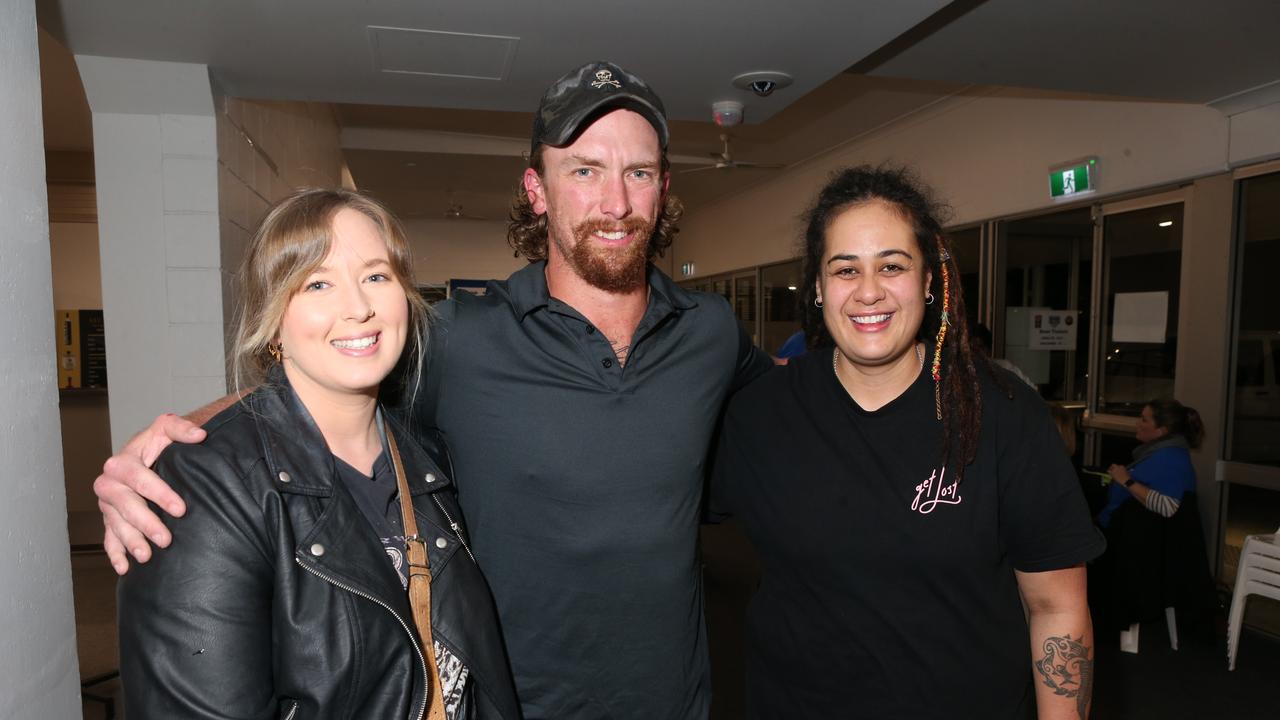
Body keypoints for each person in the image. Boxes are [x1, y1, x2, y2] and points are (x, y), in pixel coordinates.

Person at [94, 61, 773, 720]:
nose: (616, 201)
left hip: (678, 702)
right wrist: (177, 440)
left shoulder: (710, 331)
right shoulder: (461, 338)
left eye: (639, 173)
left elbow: (800, 402)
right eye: (585, 171)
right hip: (515, 705)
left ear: (663, 186)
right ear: (538, 189)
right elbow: (321, 377)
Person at [709, 166, 1105, 719]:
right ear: (819, 287)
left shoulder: (1002, 413)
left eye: (892, 265)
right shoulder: (759, 413)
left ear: (927, 281)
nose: (868, 291)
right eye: (846, 269)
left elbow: (1057, 607)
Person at [117, 189, 519, 719]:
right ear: (273, 317)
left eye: (377, 276)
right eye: (318, 283)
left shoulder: (426, 456)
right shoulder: (205, 487)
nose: (358, 307)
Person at [1096, 398, 1203, 527]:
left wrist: (1126, 480)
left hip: (1134, 534)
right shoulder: (1161, 452)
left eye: (1144, 420)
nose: (1137, 423)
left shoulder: (1172, 457)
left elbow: (1168, 506)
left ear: (1161, 431)